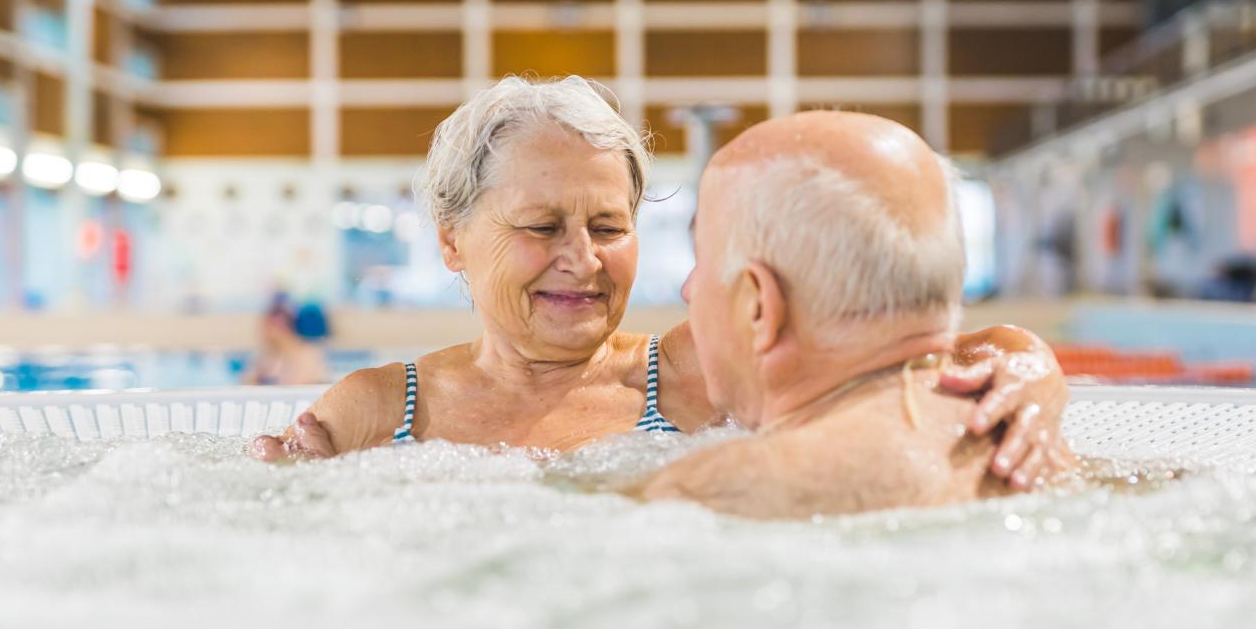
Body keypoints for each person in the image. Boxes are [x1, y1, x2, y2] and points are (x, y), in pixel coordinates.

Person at [252, 76, 1071, 488]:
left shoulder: (688, 377)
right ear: (452, 243)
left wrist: (1030, 371)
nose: (584, 257)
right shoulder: (378, 411)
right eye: (542, 228)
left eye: (609, 227)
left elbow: (916, 348)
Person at [638, 111, 1073, 519]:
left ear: (759, 306)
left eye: (704, 262)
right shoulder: (1041, 460)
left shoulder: (714, 492)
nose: (688, 290)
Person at [244, 297, 330, 386]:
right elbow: (246, 384)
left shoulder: (307, 354)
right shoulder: (265, 355)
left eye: (272, 327)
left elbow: (296, 387)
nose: (264, 332)